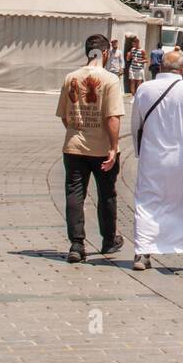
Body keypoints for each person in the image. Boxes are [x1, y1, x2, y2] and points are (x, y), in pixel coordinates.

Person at [130, 49, 183, 271]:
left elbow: (135, 125)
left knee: (147, 203)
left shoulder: (144, 89)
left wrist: (139, 152)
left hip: (152, 158)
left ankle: (142, 253)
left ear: (160, 67)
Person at [56, 34, 126, 264]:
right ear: (105, 53)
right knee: (106, 193)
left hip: (73, 146)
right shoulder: (110, 80)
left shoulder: (71, 78)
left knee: (74, 194)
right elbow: (112, 117)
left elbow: (65, 116)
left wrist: (78, 130)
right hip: (101, 148)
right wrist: (114, 147)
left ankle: (77, 244)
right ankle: (108, 239)